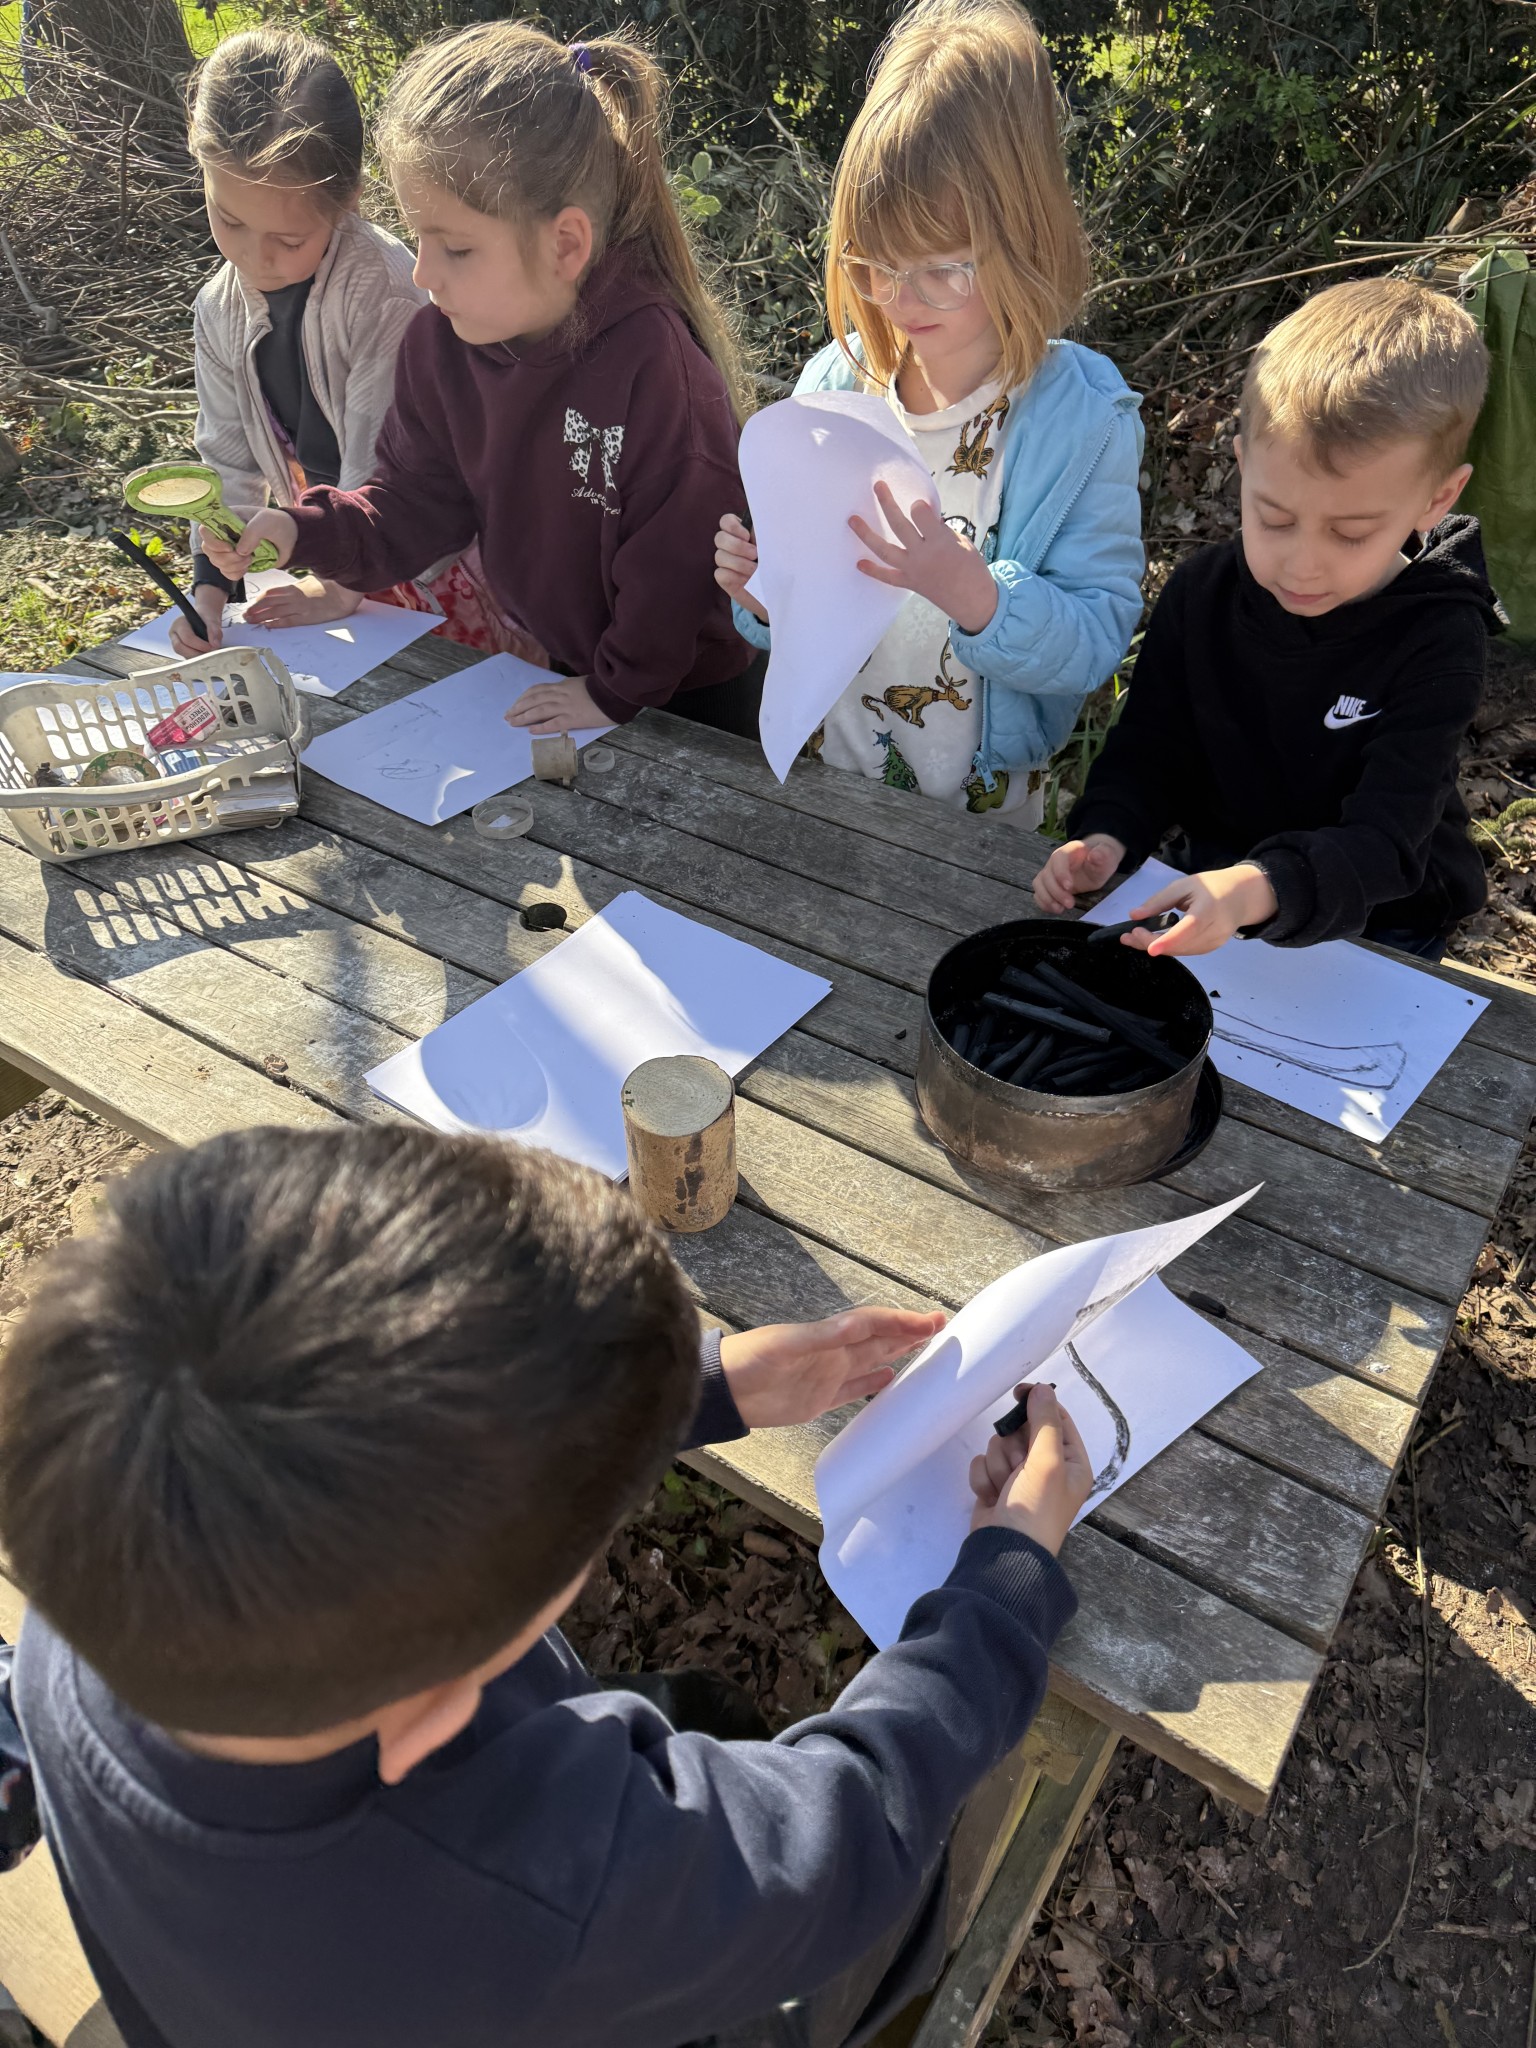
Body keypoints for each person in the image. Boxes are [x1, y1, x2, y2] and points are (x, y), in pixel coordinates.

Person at [0, 1125, 1088, 2048]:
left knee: (700, 1712)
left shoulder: (105, 1559)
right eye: (586, 1532)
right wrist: (1002, 1587)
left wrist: (684, 1388)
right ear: (439, 1712)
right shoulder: (542, 1885)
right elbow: (846, 1841)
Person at [204, 23, 761, 739]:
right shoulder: (443, 344)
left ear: (565, 243)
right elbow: (411, 505)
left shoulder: (655, 369)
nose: (422, 273)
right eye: (419, 237)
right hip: (577, 669)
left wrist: (614, 692)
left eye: (456, 249)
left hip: (691, 696)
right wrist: (299, 530)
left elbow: (675, 565)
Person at [713, 0, 1143, 823]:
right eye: (875, 265)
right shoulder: (836, 385)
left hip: (987, 822)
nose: (901, 299)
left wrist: (978, 596)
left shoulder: (1082, 418)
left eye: (942, 270)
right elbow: (802, 618)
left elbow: (1094, 642)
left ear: (1024, 238)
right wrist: (764, 593)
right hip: (835, 784)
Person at [1035, 277, 1501, 960]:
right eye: (1275, 519)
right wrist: (1107, 835)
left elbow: (1387, 840)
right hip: (1213, 888)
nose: (1302, 566)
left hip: (1383, 922)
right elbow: (1149, 751)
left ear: (1438, 499)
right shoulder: (1202, 594)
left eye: (1350, 534)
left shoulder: (1440, 635)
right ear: (1243, 463)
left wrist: (1257, 886)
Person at [171, 29, 450, 662]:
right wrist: (211, 590)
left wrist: (341, 587)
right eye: (229, 220)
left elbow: (383, 464)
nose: (254, 257)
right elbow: (226, 463)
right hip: (327, 549)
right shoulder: (219, 307)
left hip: (421, 566)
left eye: (289, 239)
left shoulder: (383, 296)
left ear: (347, 199)